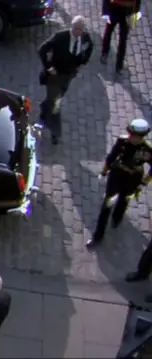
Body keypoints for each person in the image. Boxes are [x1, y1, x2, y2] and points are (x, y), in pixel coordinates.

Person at [88, 118, 152, 247]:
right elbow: (111, 156)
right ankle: (97, 236)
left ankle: (117, 218)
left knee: (124, 200)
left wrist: (144, 183)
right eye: (130, 133)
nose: (130, 136)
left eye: (133, 135)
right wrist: (104, 171)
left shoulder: (148, 150)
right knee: (106, 206)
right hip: (117, 175)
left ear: (141, 137)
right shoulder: (122, 141)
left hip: (133, 179)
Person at [37, 16, 93, 145]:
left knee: (55, 98)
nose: (77, 32)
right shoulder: (60, 37)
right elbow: (42, 49)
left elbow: (90, 46)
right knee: (56, 102)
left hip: (68, 75)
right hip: (54, 76)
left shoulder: (85, 37)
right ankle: (55, 132)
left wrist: (82, 63)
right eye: (75, 28)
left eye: (80, 29)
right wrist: (49, 67)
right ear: (71, 26)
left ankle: (44, 110)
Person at [100, 0, 142, 73]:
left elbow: (138, 2)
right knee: (109, 31)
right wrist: (105, 11)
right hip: (115, 8)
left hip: (128, 11)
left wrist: (134, 16)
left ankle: (119, 64)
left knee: (123, 39)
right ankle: (104, 53)